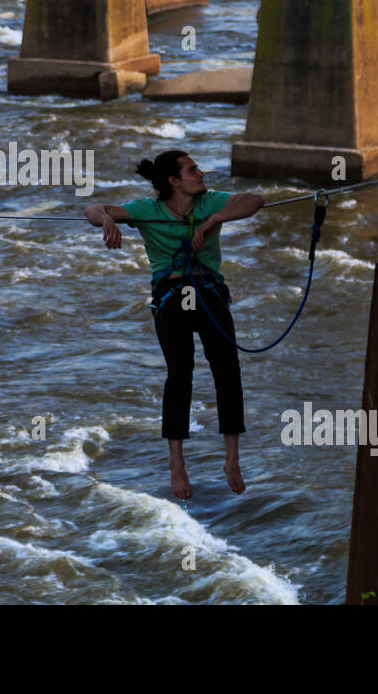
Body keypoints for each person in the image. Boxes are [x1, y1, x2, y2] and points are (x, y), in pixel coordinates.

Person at [83, 150, 264, 499]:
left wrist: (212, 222)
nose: (201, 173)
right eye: (193, 169)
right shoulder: (147, 211)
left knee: (227, 366)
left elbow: (255, 200)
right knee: (180, 371)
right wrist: (106, 220)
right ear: (174, 181)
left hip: (208, 290)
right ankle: (176, 463)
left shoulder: (210, 202)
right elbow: (92, 209)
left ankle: (232, 458)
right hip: (170, 294)